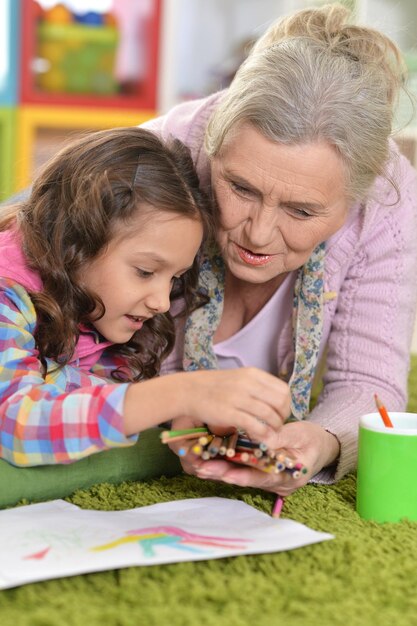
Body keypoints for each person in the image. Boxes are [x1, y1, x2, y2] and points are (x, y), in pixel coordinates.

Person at [141, 3, 417, 495]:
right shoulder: (158, 154)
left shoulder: (388, 200)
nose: (259, 234)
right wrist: (170, 402)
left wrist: (321, 440)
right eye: (241, 188)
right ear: (214, 147)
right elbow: (63, 350)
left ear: (355, 201)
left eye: (302, 211)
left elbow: (370, 385)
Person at [0, 126, 291, 467]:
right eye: (145, 271)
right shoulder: (7, 294)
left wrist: (176, 419)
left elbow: (86, 389)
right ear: (75, 242)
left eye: (174, 279)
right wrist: (179, 393)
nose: (162, 303)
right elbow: (15, 426)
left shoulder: (92, 305)